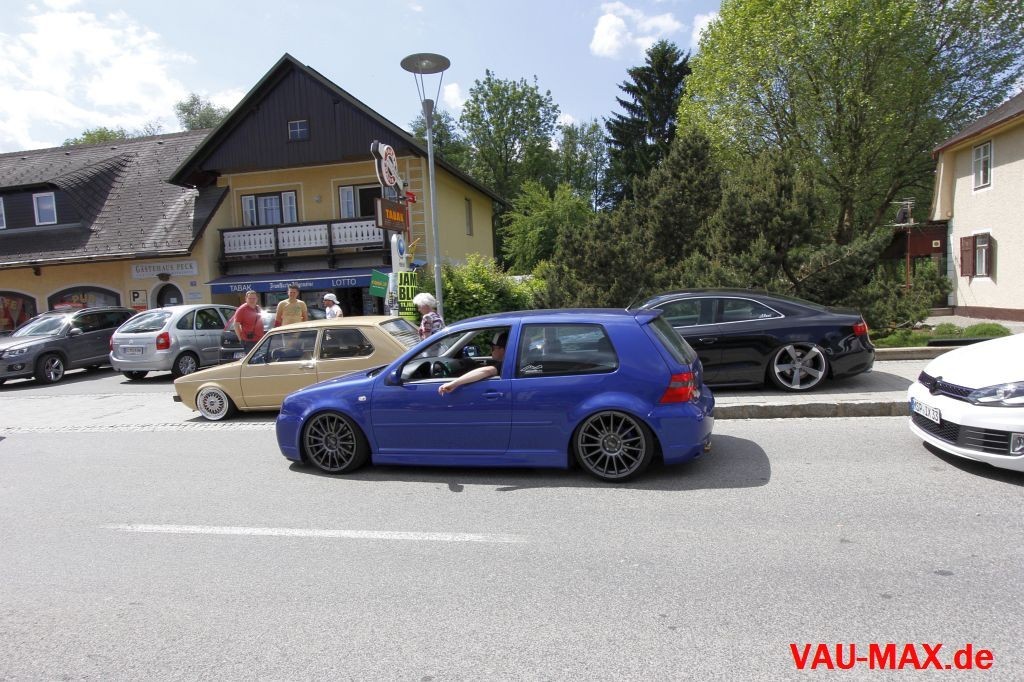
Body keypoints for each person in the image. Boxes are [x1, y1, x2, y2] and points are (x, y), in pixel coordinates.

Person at [438, 331, 507, 395]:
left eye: (493, 348)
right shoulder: (508, 362)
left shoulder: (505, 365)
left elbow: (487, 371)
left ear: (502, 350)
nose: (491, 350)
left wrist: (453, 384)